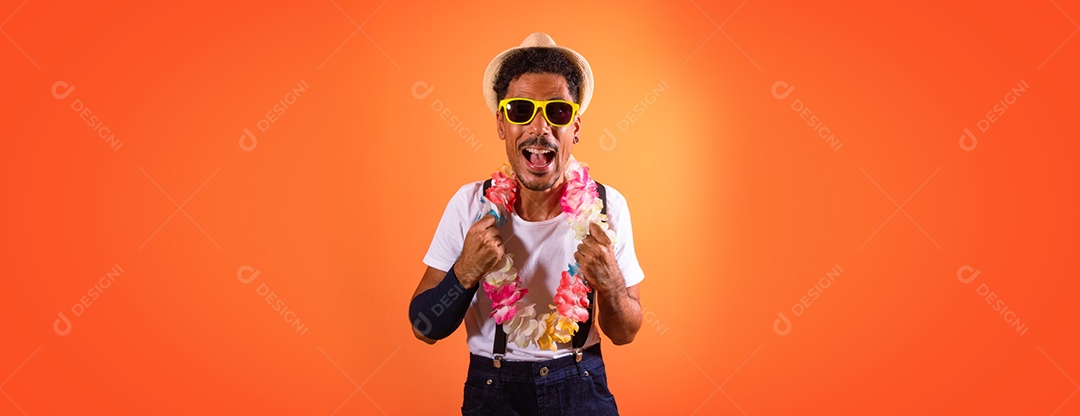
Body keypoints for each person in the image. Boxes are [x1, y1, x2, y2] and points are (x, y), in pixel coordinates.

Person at [408, 32, 645, 416]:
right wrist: (464, 272)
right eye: (521, 110)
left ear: (576, 127)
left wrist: (612, 283)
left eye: (557, 112)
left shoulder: (606, 205)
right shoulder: (470, 205)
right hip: (493, 391)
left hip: (581, 386)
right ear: (502, 123)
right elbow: (424, 328)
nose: (539, 127)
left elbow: (626, 333)